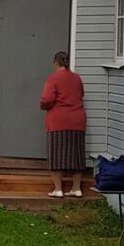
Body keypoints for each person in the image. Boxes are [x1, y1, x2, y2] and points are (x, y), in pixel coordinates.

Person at [39, 51, 87, 198]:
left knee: (56, 154)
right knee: (76, 155)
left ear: (56, 63)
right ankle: (76, 188)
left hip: (58, 121)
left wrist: (43, 106)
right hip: (78, 120)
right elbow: (81, 94)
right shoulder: (77, 78)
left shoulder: (53, 78)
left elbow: (46, 99)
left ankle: (58, 189)